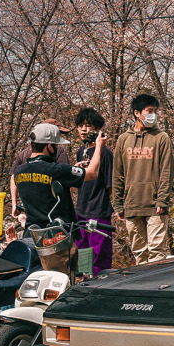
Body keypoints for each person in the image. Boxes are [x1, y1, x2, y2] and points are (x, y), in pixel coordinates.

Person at [14, 121, 106, 273]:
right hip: (56, 240)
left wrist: (71, 170)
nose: (57, 149)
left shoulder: (19, 171)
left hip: (32, 236)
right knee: (60, 283)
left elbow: (41, 185)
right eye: (56, 146)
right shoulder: (56, 170)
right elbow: (93, 173)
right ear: (49, 146)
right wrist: (98, 146)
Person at [112, 93, 174, 264]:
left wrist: (162, 200)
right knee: (140, 253)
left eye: (155, 111)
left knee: (157, 252)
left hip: (155, 206)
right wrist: (118, 203)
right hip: (131, 205)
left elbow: (167, 172)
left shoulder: (162, 138)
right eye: (149, 111)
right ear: (137, 113)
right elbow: (117, 173)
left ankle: (158, 288)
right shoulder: (123, 139)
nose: (153, 115)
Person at [72, 107, 114, 276]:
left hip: (99, 210)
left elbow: (111, 184)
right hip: (81, 210)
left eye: (88, 125)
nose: (84, 129)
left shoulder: (105, 153)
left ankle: (101, 286)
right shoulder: (80, 152)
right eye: (80, 125)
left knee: (100, 256)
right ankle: (84, 283)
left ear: (97, 128)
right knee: (82, 253)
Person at [10, 118, 72, 220]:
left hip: (28, 209)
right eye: (56, 133)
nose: (58, 138)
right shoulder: (58, 150)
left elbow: (13, 176)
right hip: (52, 212)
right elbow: (65, 180)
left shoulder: (25, 152)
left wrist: (14, 204)